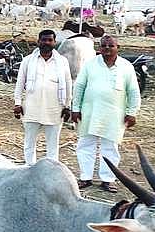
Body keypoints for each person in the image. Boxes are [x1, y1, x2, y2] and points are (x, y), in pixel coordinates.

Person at [72, 35, 141, 193]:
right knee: (85, 144)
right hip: (89, 111)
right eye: (104, 46)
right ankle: (85, 177)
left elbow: (133, 91)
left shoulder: (126, 66)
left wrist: (132, 112)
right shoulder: (90, 64)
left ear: (118, 47)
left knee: (110, 147)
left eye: (111, 46)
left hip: (114, 114)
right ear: (100, 48)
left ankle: (108, 180)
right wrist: (75, 108)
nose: (107, 49)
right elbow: (79, 86)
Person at [13, 30, 73, 165]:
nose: (46, 42)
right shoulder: (28, 60)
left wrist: (67, 106)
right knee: (29, 143)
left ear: (54, 42)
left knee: (53, 145)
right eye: (44, 40)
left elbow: (68, 84)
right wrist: (17, 103)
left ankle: (51, 170)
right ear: (38, 41)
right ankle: (29, 169)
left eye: (50, 40)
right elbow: (20, 83)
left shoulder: (62, 61)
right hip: (31, 108)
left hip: (55, 109)